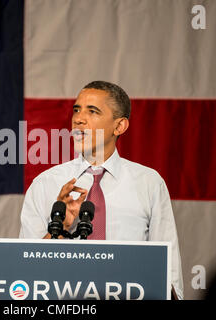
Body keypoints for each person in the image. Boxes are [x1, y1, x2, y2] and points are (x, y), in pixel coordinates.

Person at [19, 80, 184, 299]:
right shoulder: (45, 184)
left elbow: (168, 267)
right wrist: (61, 228)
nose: (78, 118)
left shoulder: (149, 183)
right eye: (76, 110)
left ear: (120, 126)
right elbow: (25, 271)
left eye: (93, 111)